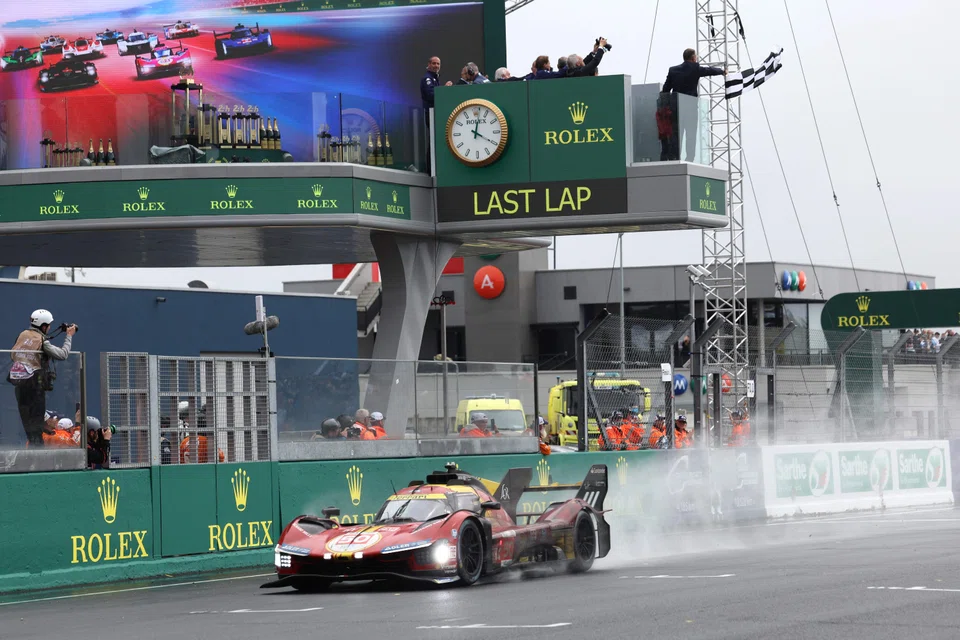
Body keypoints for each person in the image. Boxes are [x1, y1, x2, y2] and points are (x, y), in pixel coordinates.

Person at [8, 309, 76, 447]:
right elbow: (63, 354)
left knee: (27, 424)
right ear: (44, 326)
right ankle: (37, 454)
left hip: (19, 387)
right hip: (35, 387)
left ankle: (33, 447)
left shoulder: (22, 335)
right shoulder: (42, 341)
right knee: (37, 424)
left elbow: (12, 355)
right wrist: (69, 336)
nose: (50, 327)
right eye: (49, 325)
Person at [661, 48, 726, 161]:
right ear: (693, 58)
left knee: (676, 134)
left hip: (675, 108)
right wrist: (722, 71)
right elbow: (709, 70)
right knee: (691, 134)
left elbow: (666, 89)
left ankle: (674, 158)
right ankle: (689, 158)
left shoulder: (673, 70)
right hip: (690, 108)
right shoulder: (695, 68)